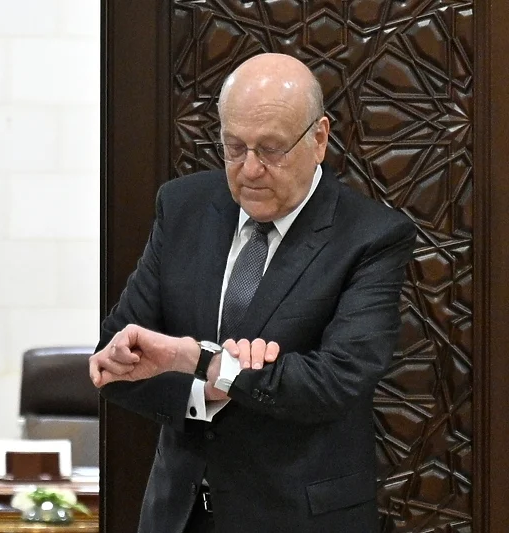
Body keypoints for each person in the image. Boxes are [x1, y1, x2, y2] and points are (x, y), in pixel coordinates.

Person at [89, 53, 416, 533]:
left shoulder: (370, 236)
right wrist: (210, 386)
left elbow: (336, 380)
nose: (250, 169)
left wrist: (203, 361)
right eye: (234, 147)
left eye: (271, 149)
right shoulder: (182, 207)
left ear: (319, 139)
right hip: (179, 517)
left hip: (298, 519)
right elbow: (118, 357)